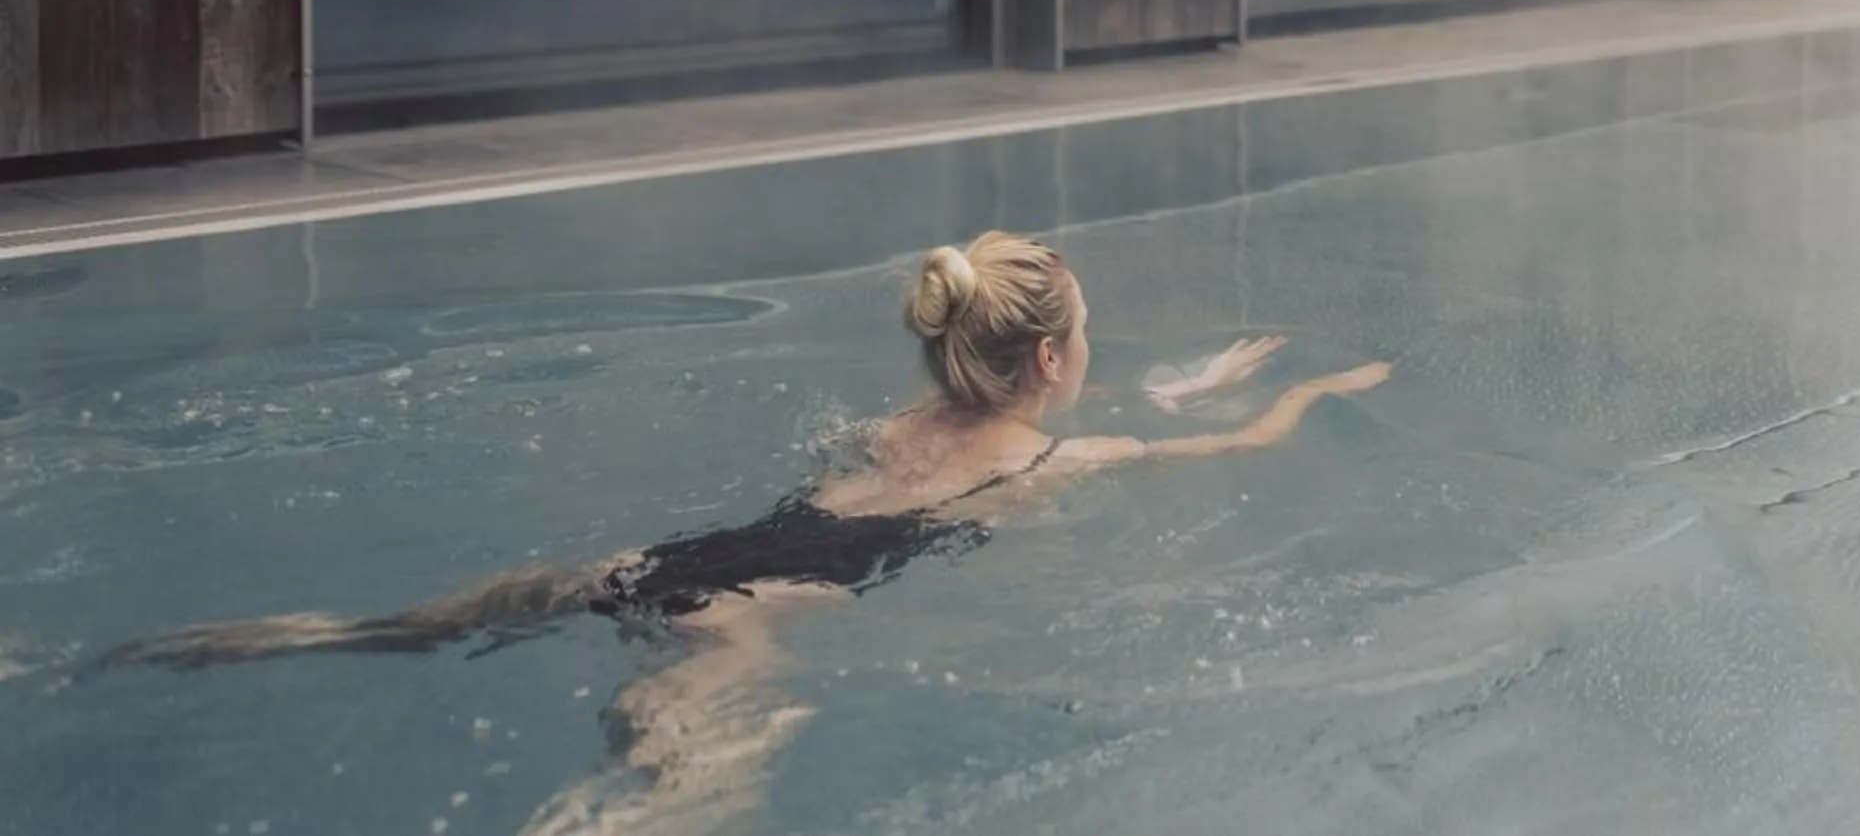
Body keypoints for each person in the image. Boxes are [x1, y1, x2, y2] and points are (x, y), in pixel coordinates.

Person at [104, 231, 1391, 836]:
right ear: (1057, 358)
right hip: (744, 624)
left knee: (385, 629)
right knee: (677, 808)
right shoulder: (1063, 459)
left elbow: (983, 407)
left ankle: (162, 655)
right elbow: (1240, 449)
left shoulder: (894, 421)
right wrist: (1301, 392)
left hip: (665, 561)